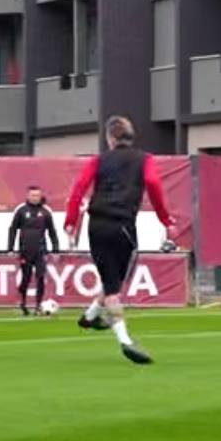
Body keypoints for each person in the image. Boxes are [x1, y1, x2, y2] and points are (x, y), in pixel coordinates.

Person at [64, 115, 175, 365]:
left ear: (110, 138)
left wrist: (71, 222)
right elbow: (153, 183)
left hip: (97, 226)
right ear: (130, 136)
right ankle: (125, 341)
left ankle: (90, 316)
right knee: (115, 287)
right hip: (123, 225)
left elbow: (79, 187)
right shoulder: (144, 160)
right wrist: (165, 219)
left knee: (111, 278)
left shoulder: (98, 160)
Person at [6, 186, 60, 315]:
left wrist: (55, 249)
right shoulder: (21, 211)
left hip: (41, 250)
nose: (35, 198)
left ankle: (37, 305)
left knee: (41, 277)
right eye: (32, 195)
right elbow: (13, 229)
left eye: (37, 195)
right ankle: (23, 303)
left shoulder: (45, 212)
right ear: (28, 196)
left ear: (41, 196)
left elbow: (52, 231)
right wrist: (10, 248)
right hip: (25, 251)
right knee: (26, 278)